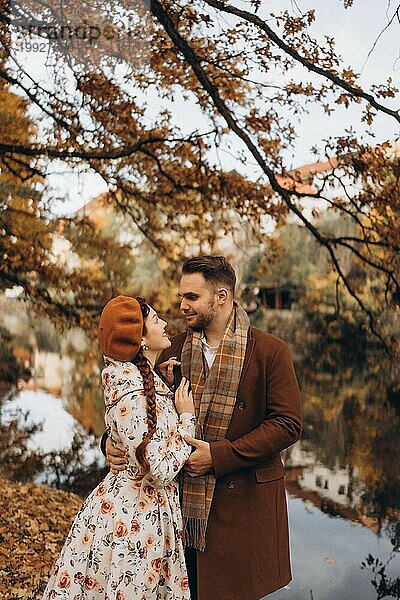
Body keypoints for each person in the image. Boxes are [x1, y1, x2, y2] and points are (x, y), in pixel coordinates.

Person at [106, 257, 302, 600]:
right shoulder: (173, 346)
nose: (182, 305)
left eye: (192, 297)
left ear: (222, 296)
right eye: (182, 296)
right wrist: (109, 441)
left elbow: (287, 425)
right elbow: (132, 407)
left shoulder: (270, 351)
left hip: (244, 508)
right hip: (181, 510)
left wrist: (219, 456)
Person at [43, 295, 196, 599]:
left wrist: (162, 386)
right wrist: (186, 419)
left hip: (143, 512)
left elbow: (144, 428)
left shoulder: (140, 380)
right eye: (155, 320)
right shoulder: (131, 395)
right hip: (135, 520)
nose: (165, 323)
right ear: (140, 340)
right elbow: (160, 471)